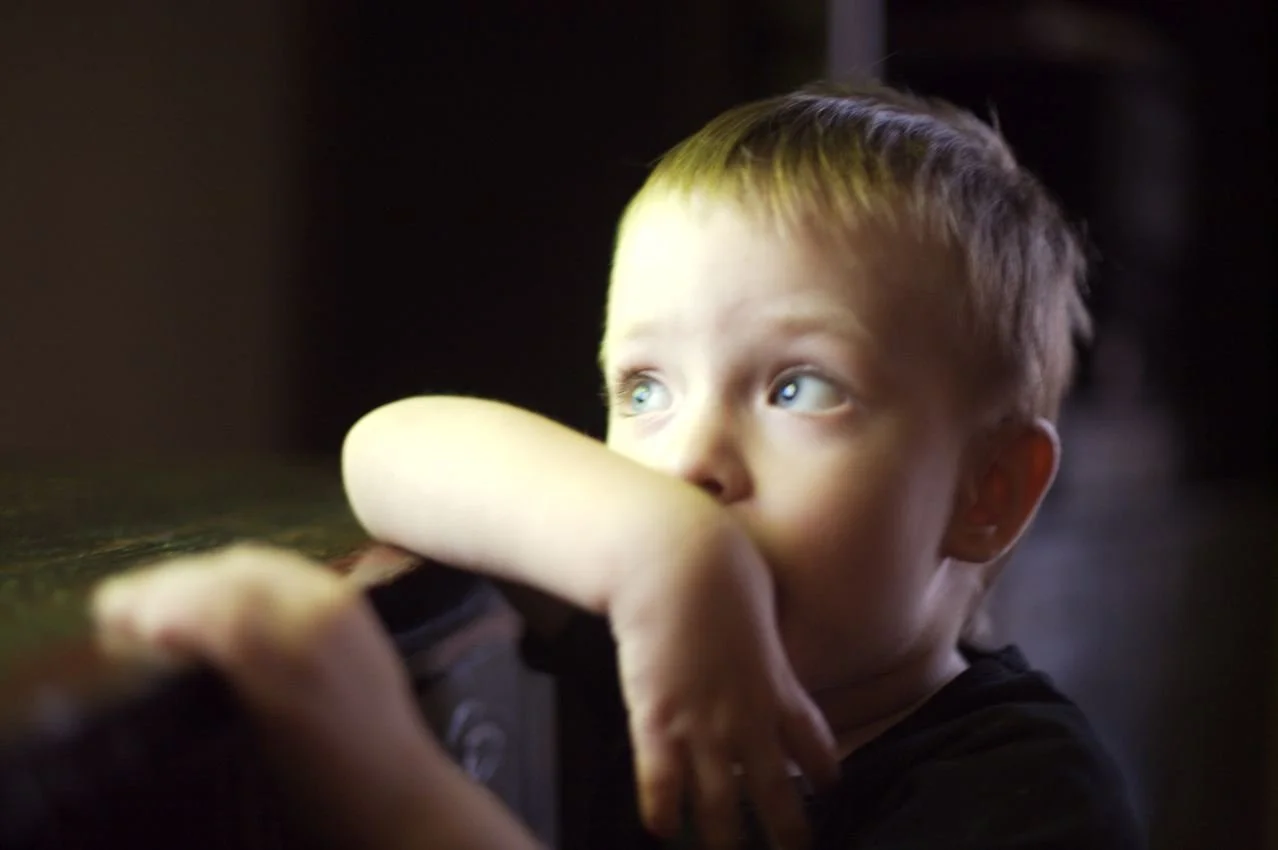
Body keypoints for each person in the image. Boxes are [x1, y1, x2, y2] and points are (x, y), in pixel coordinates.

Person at [91, 80, 1144, 849]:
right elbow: (386, 448)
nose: (686, 460)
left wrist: (388, 784)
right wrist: (661, 549)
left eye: (798, 389)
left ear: (987, 492)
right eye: (644, 390)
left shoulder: (1029, 801)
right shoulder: (624, 663)